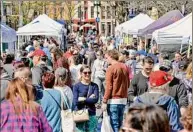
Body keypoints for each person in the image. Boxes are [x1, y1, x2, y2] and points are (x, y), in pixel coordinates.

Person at [102, 49, 130, 132]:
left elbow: (109, 87)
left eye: (106, 58)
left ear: (111, 57)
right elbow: (128, 84)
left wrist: (104, 101)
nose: (106, 59)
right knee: (120, 124)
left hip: (113, 100)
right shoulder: (124, 67)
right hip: (123, 99)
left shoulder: (110, 68)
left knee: (114, 125)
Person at [73, 65, 99, 132]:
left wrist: (82, 99)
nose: (87, 74)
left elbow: (95, 100)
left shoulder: (94, 86)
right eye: (85, 73)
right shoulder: (76, 86)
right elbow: (75, 102)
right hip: (80, 114)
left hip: (91, 113)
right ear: (81, 74)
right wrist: (89, 99)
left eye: (89, 72)